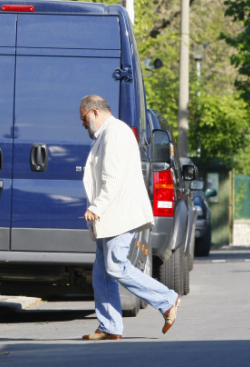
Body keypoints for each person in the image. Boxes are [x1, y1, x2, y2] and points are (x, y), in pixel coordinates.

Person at [79, 95, 181, 340]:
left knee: (114, 265)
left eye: (83, 118)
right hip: (113, 213)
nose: (82, 123)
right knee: (103, 271)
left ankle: (167, 299)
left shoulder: (113, 132)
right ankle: (109, 327)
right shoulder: (108, 133)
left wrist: (98, 207)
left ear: (94, 112)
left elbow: (112, 178)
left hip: (118, 212)